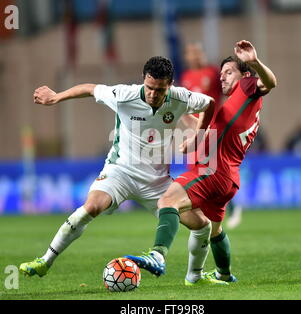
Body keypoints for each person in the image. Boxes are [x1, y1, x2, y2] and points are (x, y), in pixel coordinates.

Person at [19, 56, 227, 285]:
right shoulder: (123, 95)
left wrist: (198, 135)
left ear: (170, 85)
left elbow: (208, 104)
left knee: (202, 225)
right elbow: (90, 88)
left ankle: (194, 277)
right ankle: (45, 261)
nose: (153, 94)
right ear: (143, 81)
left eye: (160, 90)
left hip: (157, 182)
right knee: (91, 207)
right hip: (121, 172)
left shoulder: (179, 97)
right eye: (149, 87)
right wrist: (56, 97)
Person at [125, 40, 277, 283]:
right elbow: (201, 125)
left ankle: (158, 254)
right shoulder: (232, 108)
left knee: (167, 200)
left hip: (213, 171)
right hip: (227, 177)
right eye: (221, 74)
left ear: (245, 74)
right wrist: (183, 118)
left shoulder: (248, 87)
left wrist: (254, 62)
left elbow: (270, 82)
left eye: (229, 72)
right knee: (214, 230)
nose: (223, 78)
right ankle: (224, 275)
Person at [181, 42, 243, 230]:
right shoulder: (186, 77)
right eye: (192, 53)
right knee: (197, 172)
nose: (196, 56)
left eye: (198, 52)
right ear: (187, 57)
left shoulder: (214, 73)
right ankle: (208, 215)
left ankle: (230, 208)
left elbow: (232, 87)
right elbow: (185, 106)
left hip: (215, 131)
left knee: (212, 172)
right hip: (196, 131)